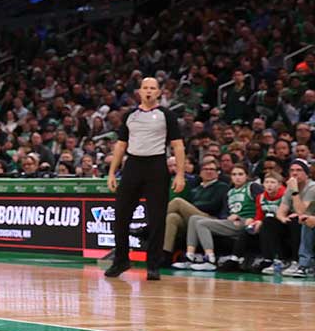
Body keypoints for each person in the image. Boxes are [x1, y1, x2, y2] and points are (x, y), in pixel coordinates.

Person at [105, 78, 186, 280]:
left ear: (158, 93)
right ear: (139, 92)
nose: (148, 91)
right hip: (133, 165)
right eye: (145, 88)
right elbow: (121, 146)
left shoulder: (166, 115)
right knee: (121, 215)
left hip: (157, 165)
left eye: (152, 88)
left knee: (157, 218)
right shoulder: (130, 115)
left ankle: (153, 265)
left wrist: (180, 174)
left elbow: (178, 146)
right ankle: (121, 260)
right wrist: (112, 172)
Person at [173, 164, 256, 271]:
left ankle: (210, 260)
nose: (237, 177)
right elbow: (225, 211)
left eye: (240, 174)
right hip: (231, 222)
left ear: (246, 176)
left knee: (202, 223)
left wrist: (253, 218)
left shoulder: (252, 187)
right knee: (194, 219)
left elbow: (261, 203)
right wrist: (228, 216)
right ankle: (190, 257)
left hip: (245, 221)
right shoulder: (230, 191)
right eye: (234, 174)